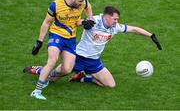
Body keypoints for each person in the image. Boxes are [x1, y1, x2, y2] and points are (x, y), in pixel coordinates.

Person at [24, 6, 162, 91]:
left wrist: (151, 36)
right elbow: (76, 22)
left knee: (110, 85)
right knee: (52, 79)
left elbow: (134, 29)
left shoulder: (115, 27)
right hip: (77, 58)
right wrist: (84, 23)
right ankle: (39, 70)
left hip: (94, 62)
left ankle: (83, 77)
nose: (117, 22)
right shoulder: (94, 20)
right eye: (115, 19)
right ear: (107, 17)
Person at [30, 0, 95, 100]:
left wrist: (89, 20)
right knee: (52, 61)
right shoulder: (56, 5)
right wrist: (39, 42)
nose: (82, 3)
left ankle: (43, 72)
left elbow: (88, 8)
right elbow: (46, 22)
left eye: (83, 0)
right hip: (56, 35)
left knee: (67, 69)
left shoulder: (83, 2)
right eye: (79, 1)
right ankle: (36, 91)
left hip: (70, 39)